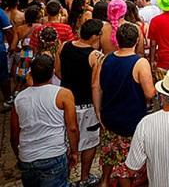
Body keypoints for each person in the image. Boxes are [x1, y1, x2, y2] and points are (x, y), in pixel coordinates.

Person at [94, 22, 156, 186]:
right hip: (130, 120)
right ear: (136, 41)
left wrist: (98, 112)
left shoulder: (106, 58)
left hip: (109, 116)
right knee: (125, 163)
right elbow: (149, 93)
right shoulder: (140, 63)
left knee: (109, 152)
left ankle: (105, 181)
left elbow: (97, 87)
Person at [10, 54, 79, 187]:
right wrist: (74, 152)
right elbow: (72, 128)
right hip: (54, 155)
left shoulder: (19, 99)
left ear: (31, 73)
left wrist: (20, 155)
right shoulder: (63, 95)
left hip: (27, 157)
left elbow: (14, 136)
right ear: (52, 72)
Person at [58, 18, 104, 186]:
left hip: (65, 103)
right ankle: (84, 177)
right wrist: (99, 110)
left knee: (68, 142)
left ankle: (66, 177)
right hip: (86, 105)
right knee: (89, 142)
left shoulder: (64, 46)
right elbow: (95, 86)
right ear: (94, 37)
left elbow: (58, 71)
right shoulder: (96, 56)